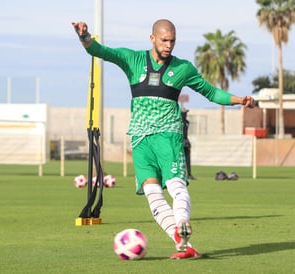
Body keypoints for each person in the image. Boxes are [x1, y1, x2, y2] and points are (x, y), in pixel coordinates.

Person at [72, 19, 254, 259]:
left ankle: (182, 222)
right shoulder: (132, 59)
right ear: (152, 39)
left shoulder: (183, 68)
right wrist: (84, 37)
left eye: (172, 41)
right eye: (164, 40)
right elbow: (100, 51)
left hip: (168, 136)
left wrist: (238, 100)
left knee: (176, 184)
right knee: (153, 192)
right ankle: (183, 244)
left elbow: (211, 92)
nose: (169, 45)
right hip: (139, 139)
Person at [181, 107, 195, 180]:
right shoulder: (178, 122)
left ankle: (189, 174)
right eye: (184, 112)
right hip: (180, 142)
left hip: (186, 141)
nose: (185, 114)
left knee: (188, 159)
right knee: (179, 159)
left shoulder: (187, 122)